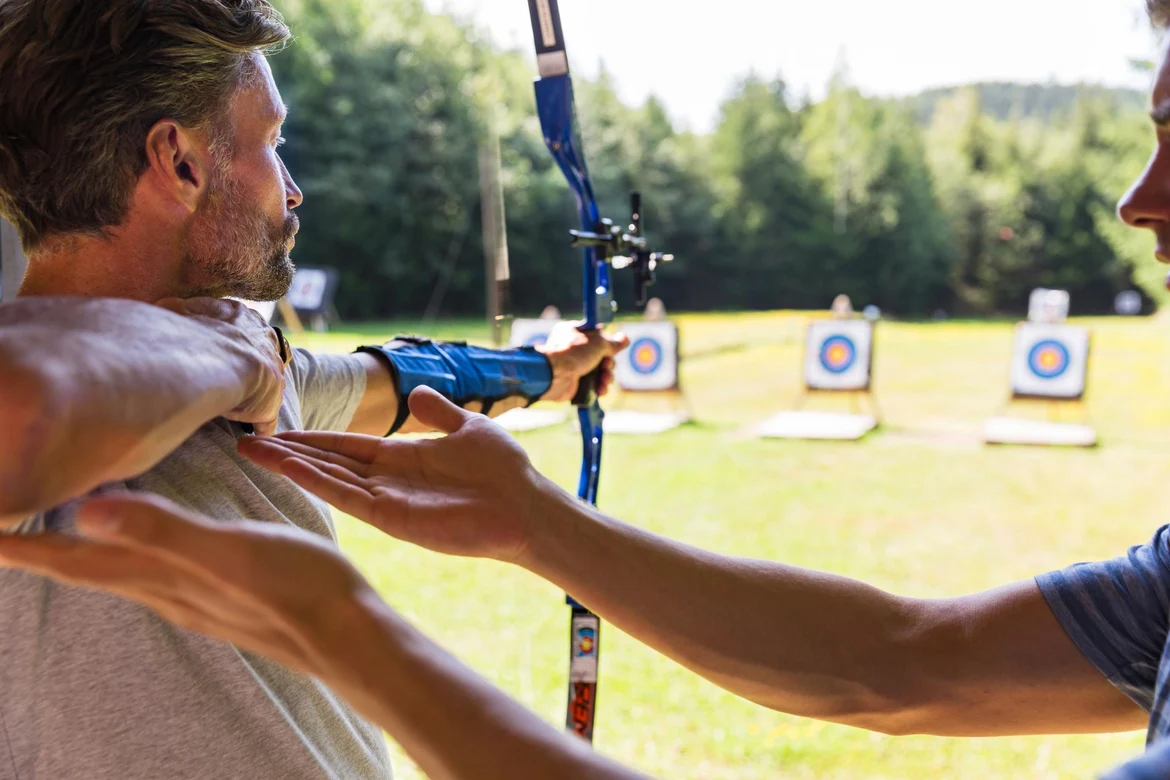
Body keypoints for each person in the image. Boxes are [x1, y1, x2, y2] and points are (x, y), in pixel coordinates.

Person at [0, 2, 623, 778]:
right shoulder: (62, 421)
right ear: (180, 163)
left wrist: (549, 370)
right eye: (272, 142)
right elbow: (20, 413)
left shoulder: (251, 370)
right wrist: (228, 351)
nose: (292, 191)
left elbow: (406, 382)